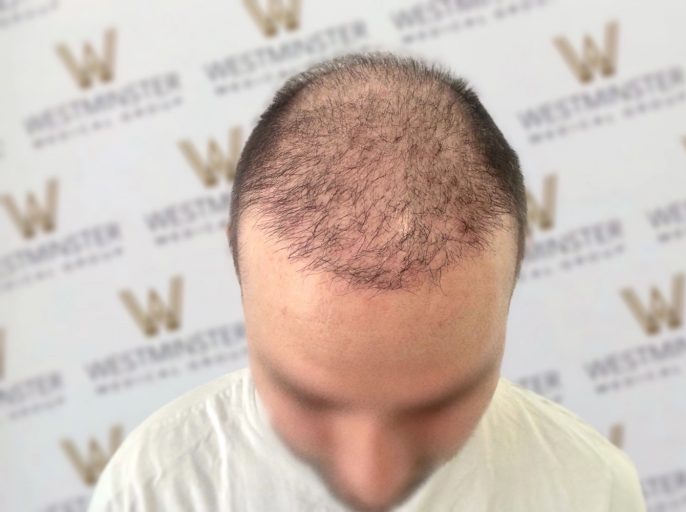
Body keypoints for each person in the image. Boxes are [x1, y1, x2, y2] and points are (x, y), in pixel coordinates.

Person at [88, 51, 646, 512]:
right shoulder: (156, 493)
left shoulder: (589, 490)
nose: (373, 480)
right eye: (310, 403)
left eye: (436, 405)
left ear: (515, 275)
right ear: (236, 264)